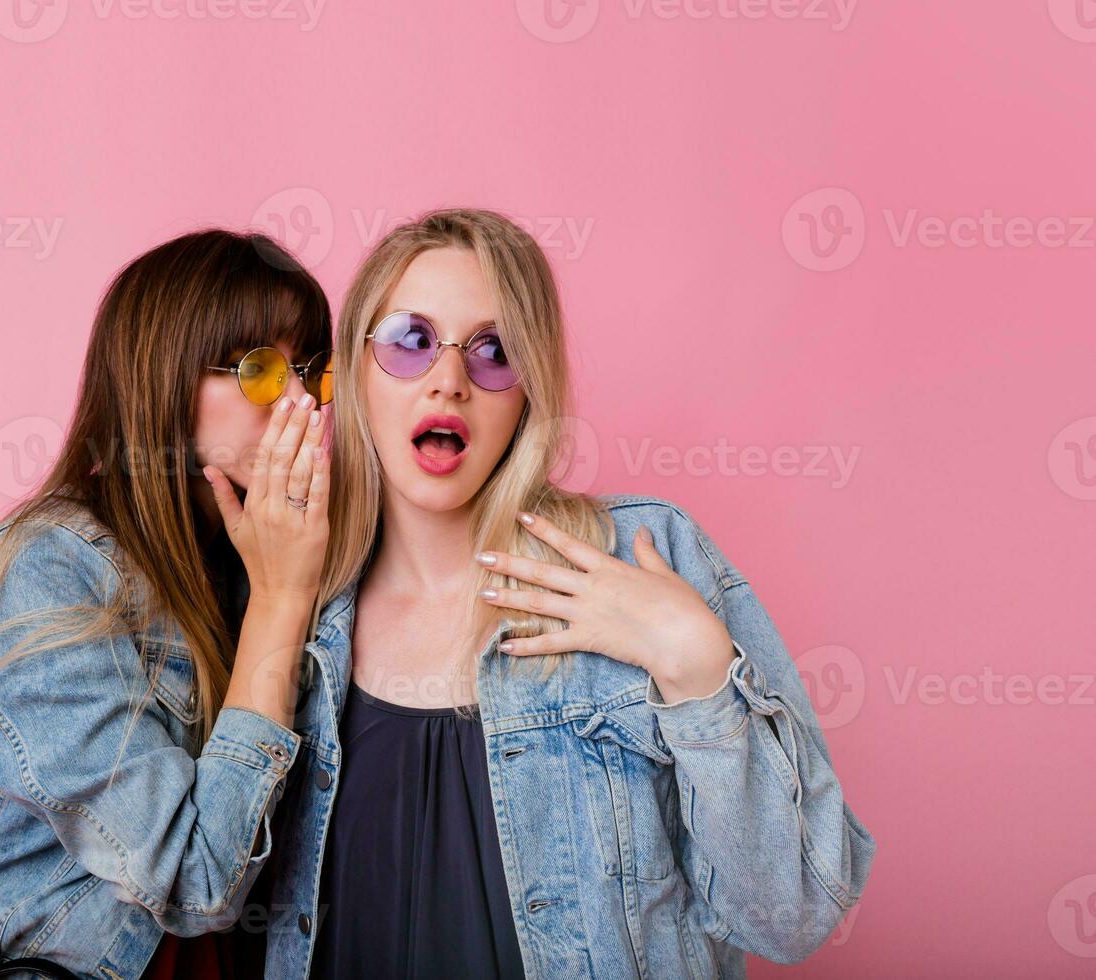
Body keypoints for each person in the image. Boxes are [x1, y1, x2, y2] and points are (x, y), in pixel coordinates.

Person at [260, 208, 876, 979]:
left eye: (494, 352)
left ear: (529, 388)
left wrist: (699, 674)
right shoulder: (297, 609)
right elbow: (194, 889)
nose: (449, 379)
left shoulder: (646, 557)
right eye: (410, 342)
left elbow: (792, 918)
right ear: (352, 368)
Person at [0, 229, 335, 979]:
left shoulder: (270, 550)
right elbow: (198, 879)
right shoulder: (50, 570)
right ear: (162, 377)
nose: (297, 404)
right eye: (257, 370)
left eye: (313, 372)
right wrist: (283, 601)